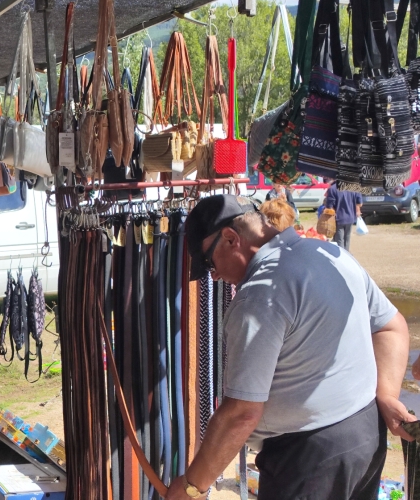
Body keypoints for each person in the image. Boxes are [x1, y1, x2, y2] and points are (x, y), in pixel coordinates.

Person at [167, 194, 412, 500]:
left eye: (208, 262)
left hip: (308, 460)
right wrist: (385, 395)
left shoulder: (258, 296)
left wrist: (193, 486)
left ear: (230, 239)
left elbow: (242, 413)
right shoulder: (329, 253)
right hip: (364, 435)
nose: (213, 275)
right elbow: (391, 326)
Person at [325, 181, 362, 251]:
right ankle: (347, 257)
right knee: (347, 241)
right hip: (350, 218)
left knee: (339, 242)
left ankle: (342, 258)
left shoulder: (332, 189)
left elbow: (329, 207)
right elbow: (359, 204)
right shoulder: (354, 187)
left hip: (338, 219)